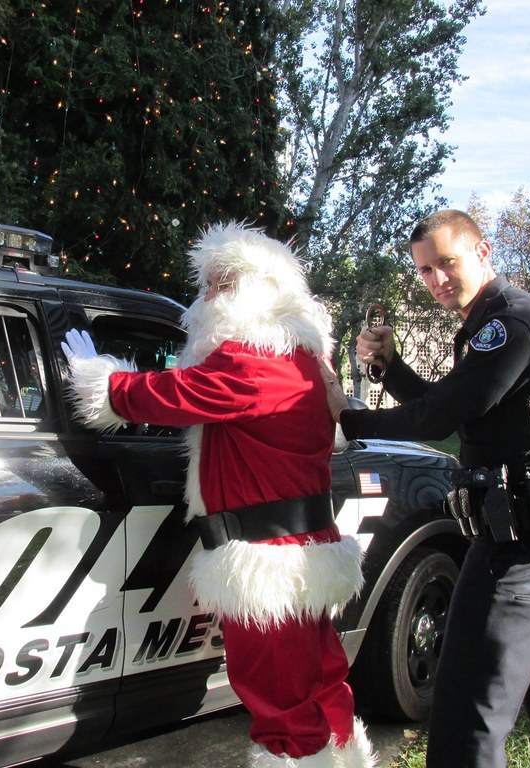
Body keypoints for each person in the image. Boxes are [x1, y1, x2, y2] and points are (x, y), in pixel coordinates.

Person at [61, 222, 376, 768]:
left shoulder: (255, 362)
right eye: (206, 283)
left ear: (258, 287)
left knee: (278, 698)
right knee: (322, 678)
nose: (204, 298)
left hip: (266, 564)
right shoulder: (305, 361)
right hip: (305, 554)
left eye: (220, 284)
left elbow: (172, 393)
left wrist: (102, 379)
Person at [323, 209, 530, 768]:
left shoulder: (512, 322)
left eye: (446, 263)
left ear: (484, 252)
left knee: (466, 713)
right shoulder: (493, 324)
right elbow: (460, 408)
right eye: (425, 270)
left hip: (521, 547)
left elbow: (443, 415)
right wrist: (390, 367)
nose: (436, 280)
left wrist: (348, 417)